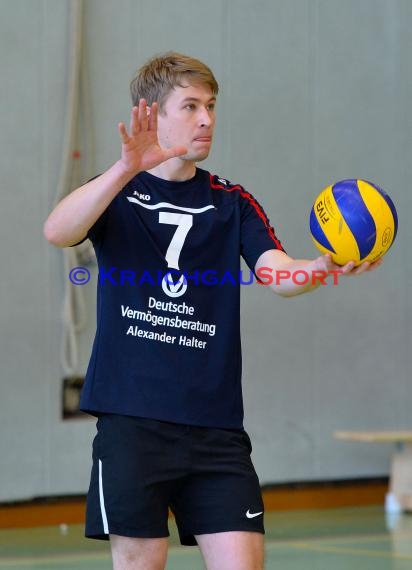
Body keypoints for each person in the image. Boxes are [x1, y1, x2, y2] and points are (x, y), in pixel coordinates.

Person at [44, 52, 380, 570]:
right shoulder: (118, 191)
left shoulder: (232, 202)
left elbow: (278, 275)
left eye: (212, 105)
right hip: (134, 423)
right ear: (153, 115)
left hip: (215, 428)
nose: (207, 118)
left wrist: (324, 265)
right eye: (192, 105)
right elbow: (58, 231)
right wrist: (125, 166)